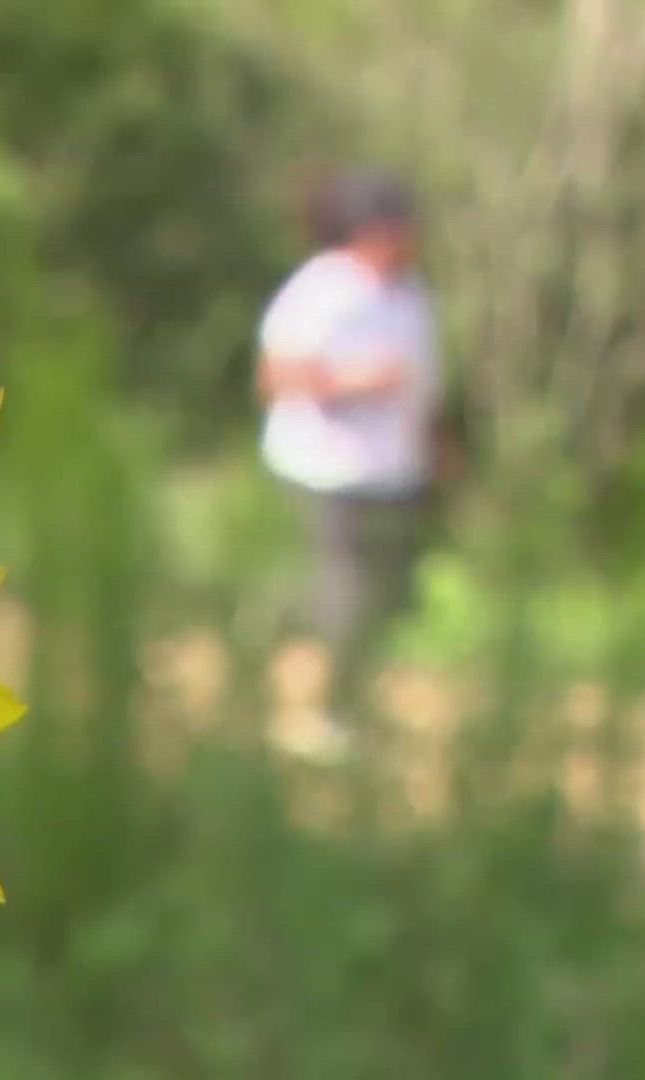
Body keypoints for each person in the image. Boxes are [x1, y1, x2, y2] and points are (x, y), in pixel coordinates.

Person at [255, 171, 441, 759]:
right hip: (327, 472)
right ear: (372, 230)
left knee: (386, 598)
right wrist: (353, 382)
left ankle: (350, 703)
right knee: (344, 595)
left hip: (394, 473)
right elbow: (275, 375)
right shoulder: (323, 290)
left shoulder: (409, 293)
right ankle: (320, 714)